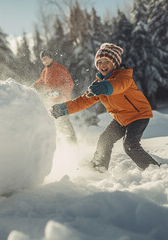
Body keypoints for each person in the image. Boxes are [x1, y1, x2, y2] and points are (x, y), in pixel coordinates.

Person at [51, 43, 160, 172]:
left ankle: (154, 169)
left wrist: (105, 87)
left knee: (130, 145)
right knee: (105, 139)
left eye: (107, 62)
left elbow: (118, 85)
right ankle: (99, 167)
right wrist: (64, 108)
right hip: (120, 119)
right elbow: (83, 101)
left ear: (114, 63)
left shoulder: (124, 76)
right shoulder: (98, 84)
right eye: (100, 62)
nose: (103, 65)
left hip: (138, 116)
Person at [34, 49, 77, 144]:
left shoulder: (60, 68)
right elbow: (41, 81)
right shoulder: (44, 71)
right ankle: (62, 147)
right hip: (51, 102)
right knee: (57, 127)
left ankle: (73, 145)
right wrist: (33, 86)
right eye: (43, 59)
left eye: (46, 58)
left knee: (65, 124)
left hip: (62, 101)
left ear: (51, 57)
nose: (45, 61)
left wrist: (60, 91)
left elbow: (69, 84)